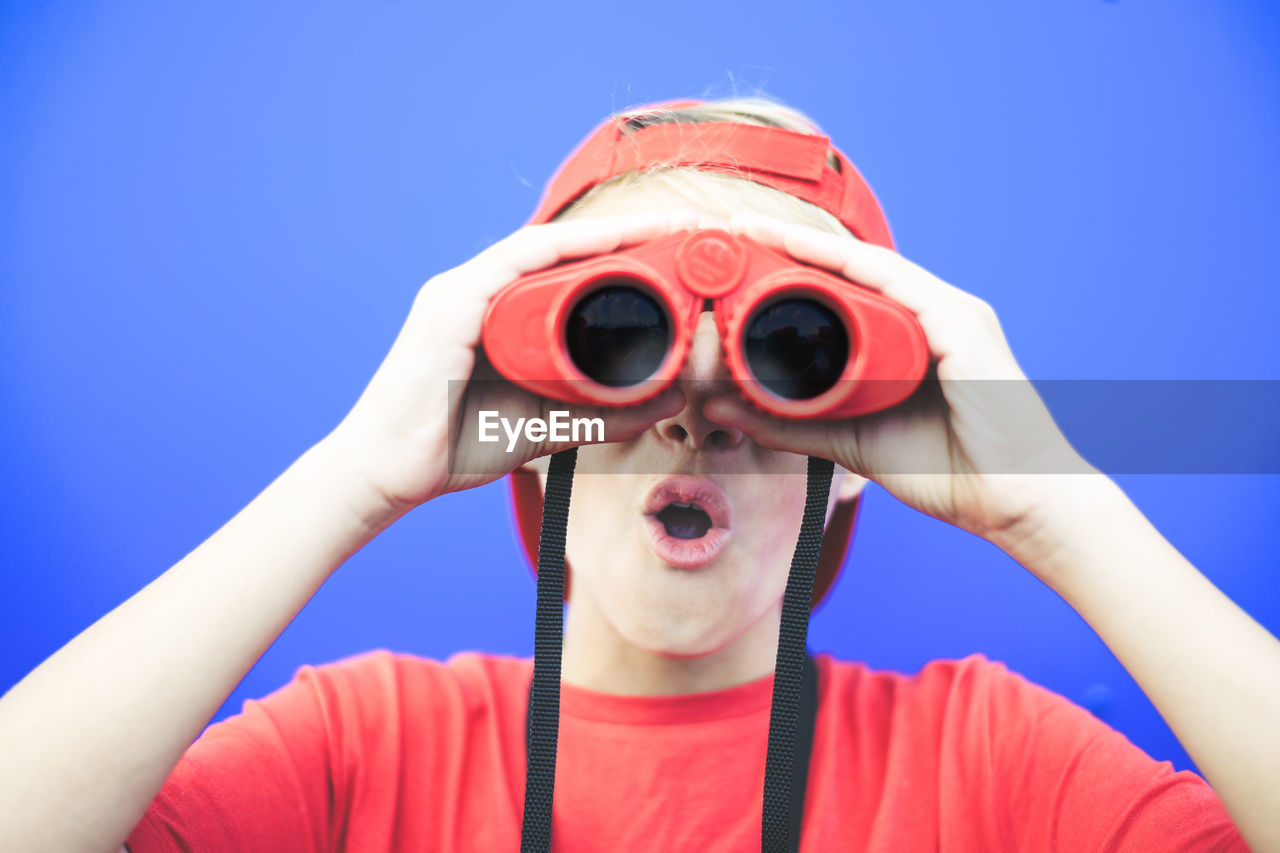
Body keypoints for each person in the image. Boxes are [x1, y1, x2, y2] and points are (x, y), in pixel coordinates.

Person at [0, 96, 1274, 853]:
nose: (693, 416)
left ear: (850, 454)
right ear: (534, 418)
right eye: (620, 342)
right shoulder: (362, 746)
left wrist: (1052, 502)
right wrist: (353, 477)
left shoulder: (988, 765)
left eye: (789, 355)